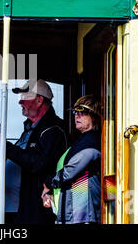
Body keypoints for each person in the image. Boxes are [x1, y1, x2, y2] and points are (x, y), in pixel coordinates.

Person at [0, 79, 68, 224]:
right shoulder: (31, 129)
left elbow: (39, 163)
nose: (20, 102)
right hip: (17, 209)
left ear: (39, 100)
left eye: (25, 98)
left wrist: (7, 147)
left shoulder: (53, 130)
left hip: (36, 210)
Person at [42, 94, 101, 224]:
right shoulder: (81, 140)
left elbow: (69, 172)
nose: (77, 116)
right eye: (75, 112)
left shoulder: (91, 142)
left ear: (94, 116)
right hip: (74, 213)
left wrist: (48, 184)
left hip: (82, 215)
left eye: (83, 112)